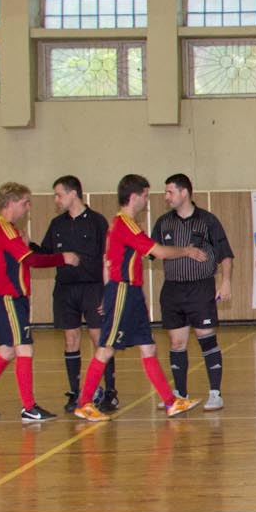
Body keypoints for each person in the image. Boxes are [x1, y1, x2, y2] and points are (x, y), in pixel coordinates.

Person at [73, 174, 198, 422]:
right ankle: (84, 403)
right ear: (134, 196)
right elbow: (159, 252)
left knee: (148, 347)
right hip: (122, 292)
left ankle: (170, 402)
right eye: (145, 196)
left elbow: (109, 262)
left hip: (131, 293)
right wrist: (187, 250)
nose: (147, 201)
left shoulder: (124, 224)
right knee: (106, 348)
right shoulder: (124, 224)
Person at [0, 183, 77, 422]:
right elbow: (31, 260)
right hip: (9, 297)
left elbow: (16, 259)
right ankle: (28, 407)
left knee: (7, 351)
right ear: (12, 202)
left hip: (11, 296)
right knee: (24, 347)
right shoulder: (4, 228)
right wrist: (63, 258)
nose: (28, 208)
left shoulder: (9, 230)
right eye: (25, 203)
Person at [153, 173, 235, 411]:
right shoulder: (163, 223)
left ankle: (215, 393)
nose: (166, 197)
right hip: (173, 289)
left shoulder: (208, 221)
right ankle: (179, 393)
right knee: (176, 342)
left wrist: (226, 281)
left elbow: (225, 254)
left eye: (170, 192)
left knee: (206, 338)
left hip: (200, 288)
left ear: (184, 192)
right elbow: (152, 251)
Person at [38, 176, 116, 413]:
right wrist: (27, 244)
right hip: (65, 289)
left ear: (73, 194)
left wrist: (108, 293)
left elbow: (109, 258)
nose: (56, 199)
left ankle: (110, 392)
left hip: (93, 288)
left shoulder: (97, 222)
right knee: (70, 339)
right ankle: (75, 392)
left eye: (59, 194)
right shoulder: (57, 224)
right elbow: (45, 253)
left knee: (99, 338)